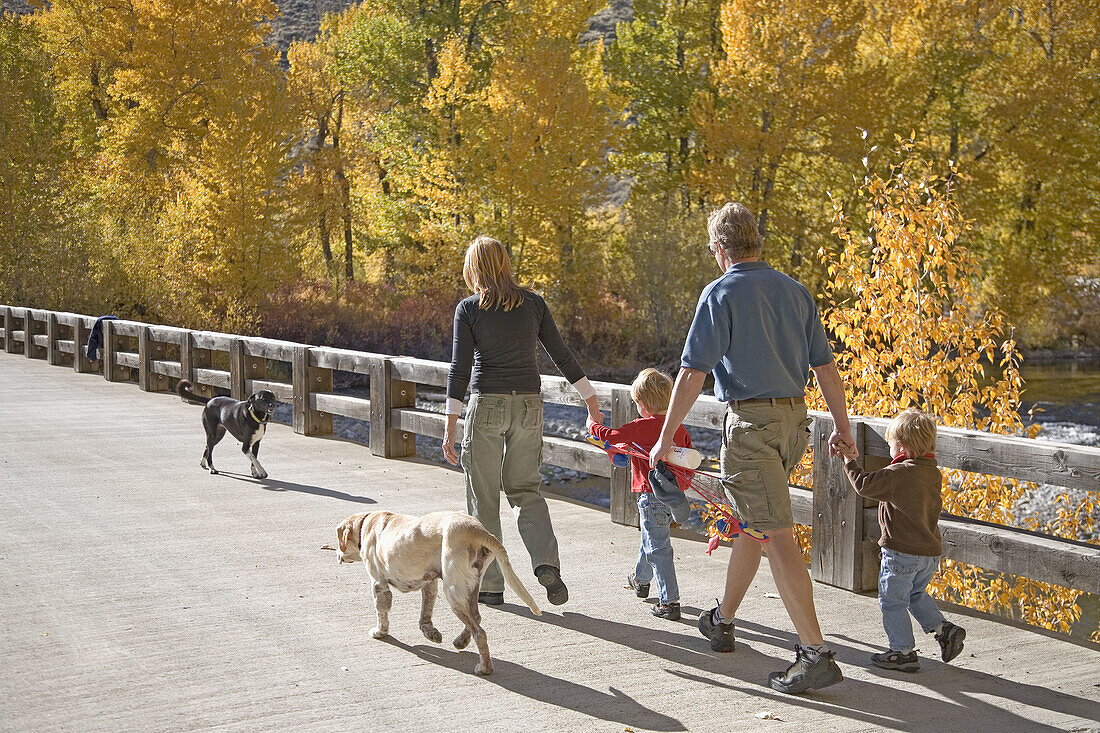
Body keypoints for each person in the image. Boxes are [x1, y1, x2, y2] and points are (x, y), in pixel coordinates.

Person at [649, 202, 855, 694]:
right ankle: (722, 619)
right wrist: (843, 429)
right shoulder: (795, 290)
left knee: (776, 534)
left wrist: (662, 440)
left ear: (720, 249)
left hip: (752, 427)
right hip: (792, 423)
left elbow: (693, 373)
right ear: (756, 242)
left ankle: (815, 653)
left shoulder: (720, 293)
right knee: (753, 523)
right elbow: (826, 368)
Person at [443, 236, 602, 607]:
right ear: (505, 263)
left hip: (487, 407)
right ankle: (547, 565)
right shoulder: (534, 304)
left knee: (483, 497)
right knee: (525, 490)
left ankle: (492, 585)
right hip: (529, 406)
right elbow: (561, 355)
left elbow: (459, 369)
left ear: (473, 268)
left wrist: (450, 425)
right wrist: (591, 401)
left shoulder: (469, 310)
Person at [840, 409, 966, 672]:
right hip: (929, 553)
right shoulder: (931, 472)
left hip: (902, 554)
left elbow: (864, 485)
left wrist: (850, 460)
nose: (889, 450)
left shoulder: (899, 472)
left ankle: (902, 651)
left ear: (902, 447)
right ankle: (943, 630)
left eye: (891, 445)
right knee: (914, 594)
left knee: (892, 601)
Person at [586, 368, 692, 621]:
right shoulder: (678, 427)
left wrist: (593, 425)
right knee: (652, 539)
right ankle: (640, 580)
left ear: (643, 405)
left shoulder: (641, 426)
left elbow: (613, 437)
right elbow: (689, 459)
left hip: (650, 496)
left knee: (658, 547)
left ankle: (669, 602)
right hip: (672, 494)